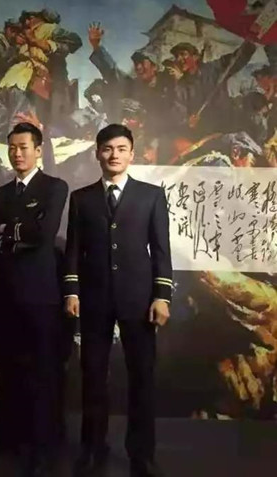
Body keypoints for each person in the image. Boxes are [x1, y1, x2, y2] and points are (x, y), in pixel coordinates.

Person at [64, 123, 172, 477]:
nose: (114, 155)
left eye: (121, 148)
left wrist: (162, 296)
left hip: (139, 300)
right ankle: (93, 449)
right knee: (93, 376)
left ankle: (142, 455)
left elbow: (161, 250)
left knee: (142, 378)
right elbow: (73, 250)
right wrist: (72, 291)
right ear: (97, 153)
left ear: (132, 154)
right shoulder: (81, 198)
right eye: (108, 148)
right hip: (94, 300)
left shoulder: (151, 195)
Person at [0, 122, 68, 476]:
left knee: (43, 373)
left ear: (38, 150)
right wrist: (17, 233)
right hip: (5, 293)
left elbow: (44, 233)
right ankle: (10, 439)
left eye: (23, 147)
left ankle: (43, 447)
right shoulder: (1, 193)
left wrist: (10, 231)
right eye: (12, 148)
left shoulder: (55, 187)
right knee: (9, 369)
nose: (17, 153)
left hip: (40, 295)